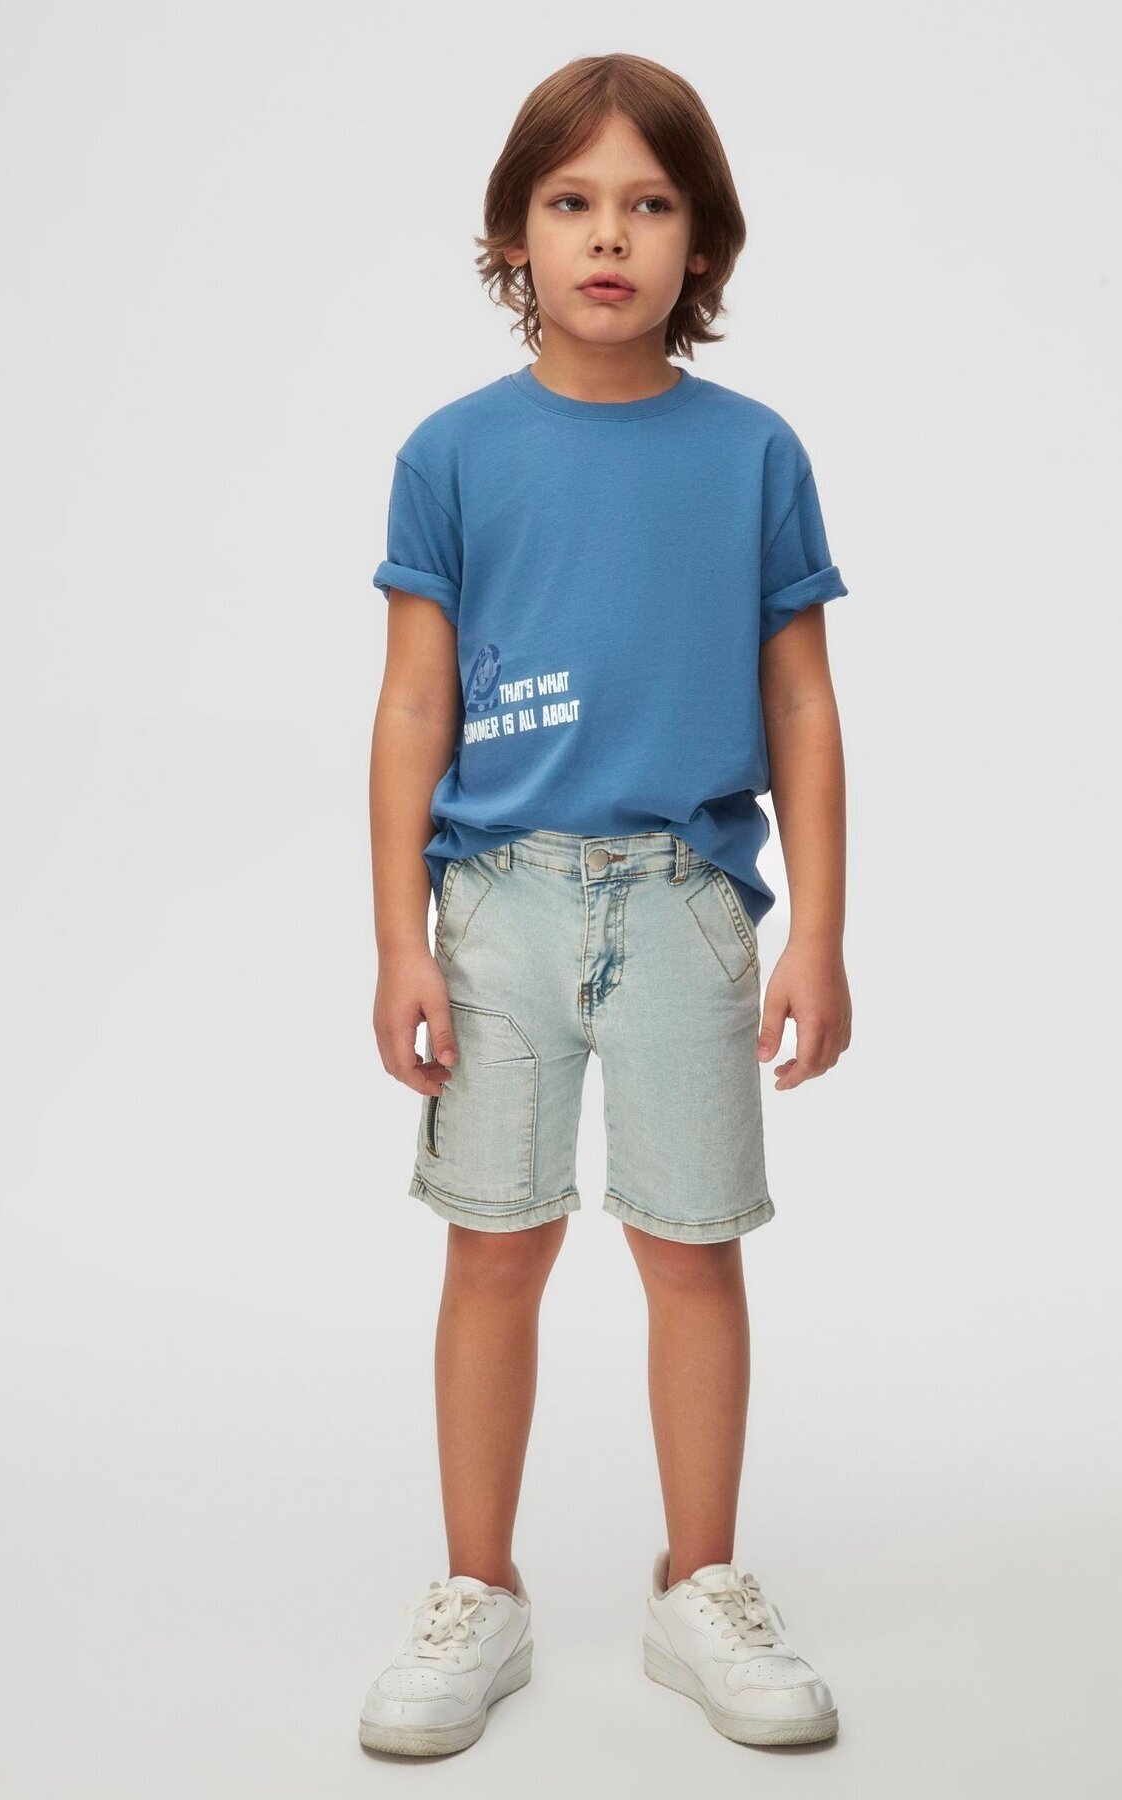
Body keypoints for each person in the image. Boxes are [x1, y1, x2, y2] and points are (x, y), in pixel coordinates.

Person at [358, 52, 851, 1757]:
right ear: (515, 235)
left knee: (692, 1248)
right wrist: (401, 938)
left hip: (689, 902)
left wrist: (817, 932)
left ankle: (697, 1584)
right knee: (494, 1246)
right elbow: (412, 706)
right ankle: (476, 1591)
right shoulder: (453, 454)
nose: (610, 236)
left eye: (649, 203)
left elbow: (802, 705)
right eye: (572, 202)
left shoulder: (753, 453)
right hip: (496, 906)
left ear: (702, 242)